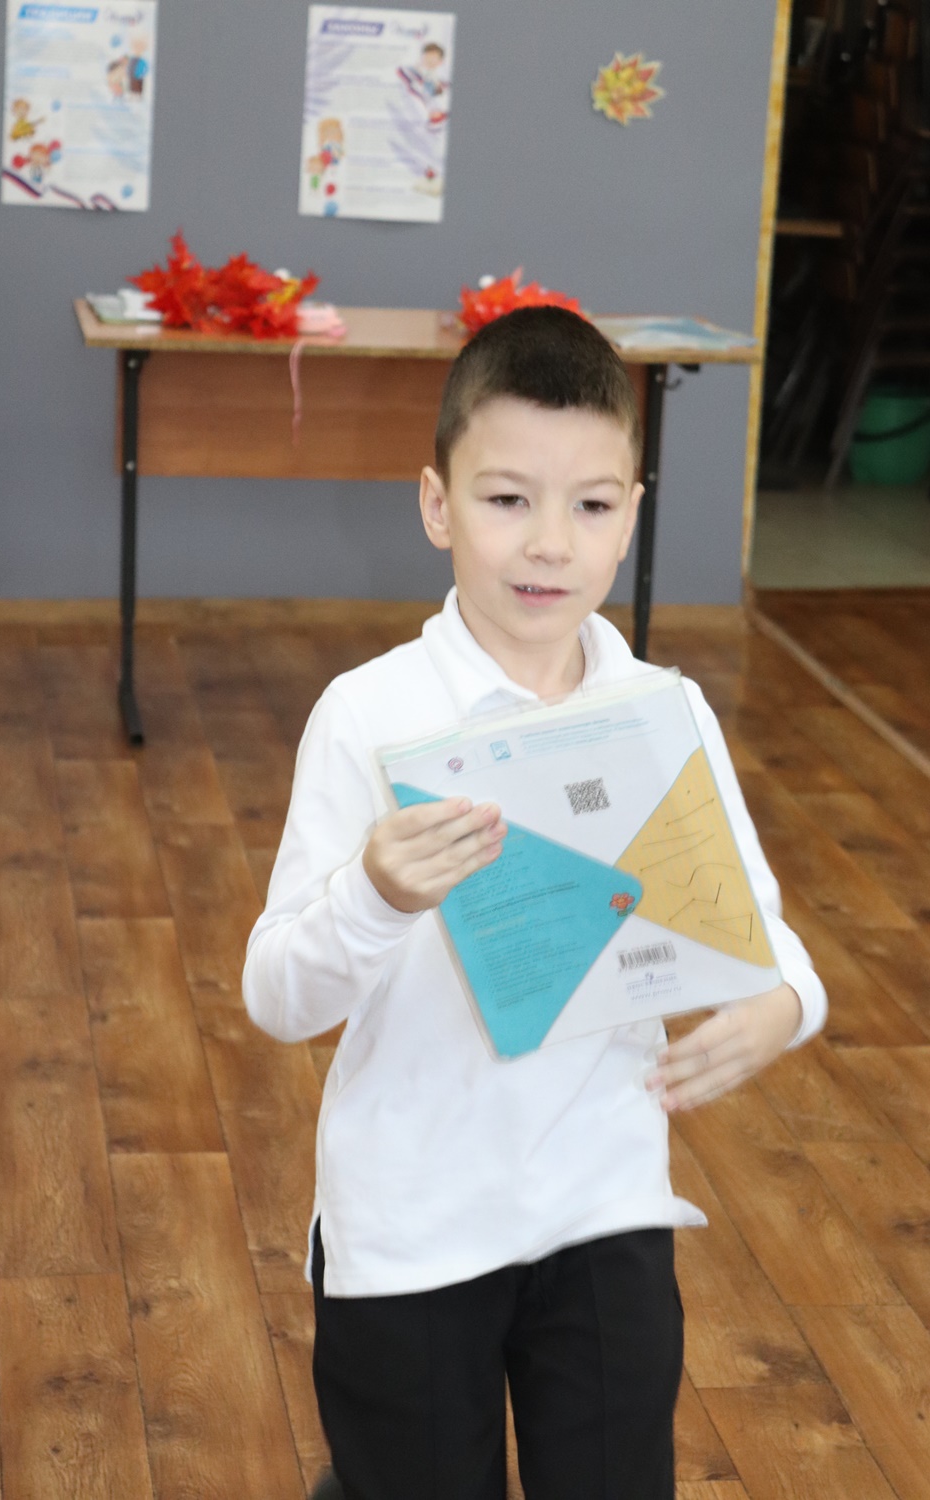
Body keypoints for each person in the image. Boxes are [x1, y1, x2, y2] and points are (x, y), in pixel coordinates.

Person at [242, 306, 826, 1500]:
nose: (550, 543)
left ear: (631, 515)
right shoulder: (369, 715)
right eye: (507, 499)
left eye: (592, 505)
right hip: (409, 1230)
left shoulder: (665, 710)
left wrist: (783, 1009)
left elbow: (760, 936)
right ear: (436, 505)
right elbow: (278, 999)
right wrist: (376, 893)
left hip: (603, 1209)